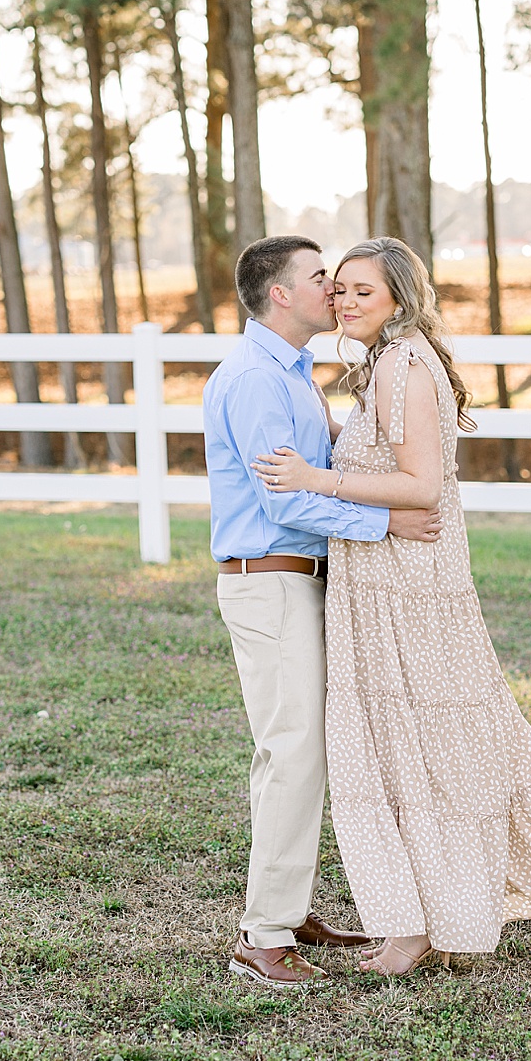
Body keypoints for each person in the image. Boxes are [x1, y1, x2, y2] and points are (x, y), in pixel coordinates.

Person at [254, 236, 531, 976]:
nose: (347, 300)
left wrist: (313, 478)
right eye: (342, 289)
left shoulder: (401, 364)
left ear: (399, 295)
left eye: (364, 290)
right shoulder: (386, 364)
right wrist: (334, 442)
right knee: (407, 749)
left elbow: (422, 486)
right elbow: (389, 462)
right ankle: (419, 918)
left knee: (419, 747)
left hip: (407, 587)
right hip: (381, 576)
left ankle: (420, 924)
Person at [203, 235, 446, 990]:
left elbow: (331, 466)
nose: (334, 292)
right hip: (268, 579)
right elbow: (286, 493)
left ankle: (288, 905)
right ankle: (264, 936)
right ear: (281, 294)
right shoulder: (251, 379)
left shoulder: (297, 374)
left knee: (301, 750)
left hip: (306, 579)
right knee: (294, 750)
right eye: (320, 280)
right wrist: (387, 522)